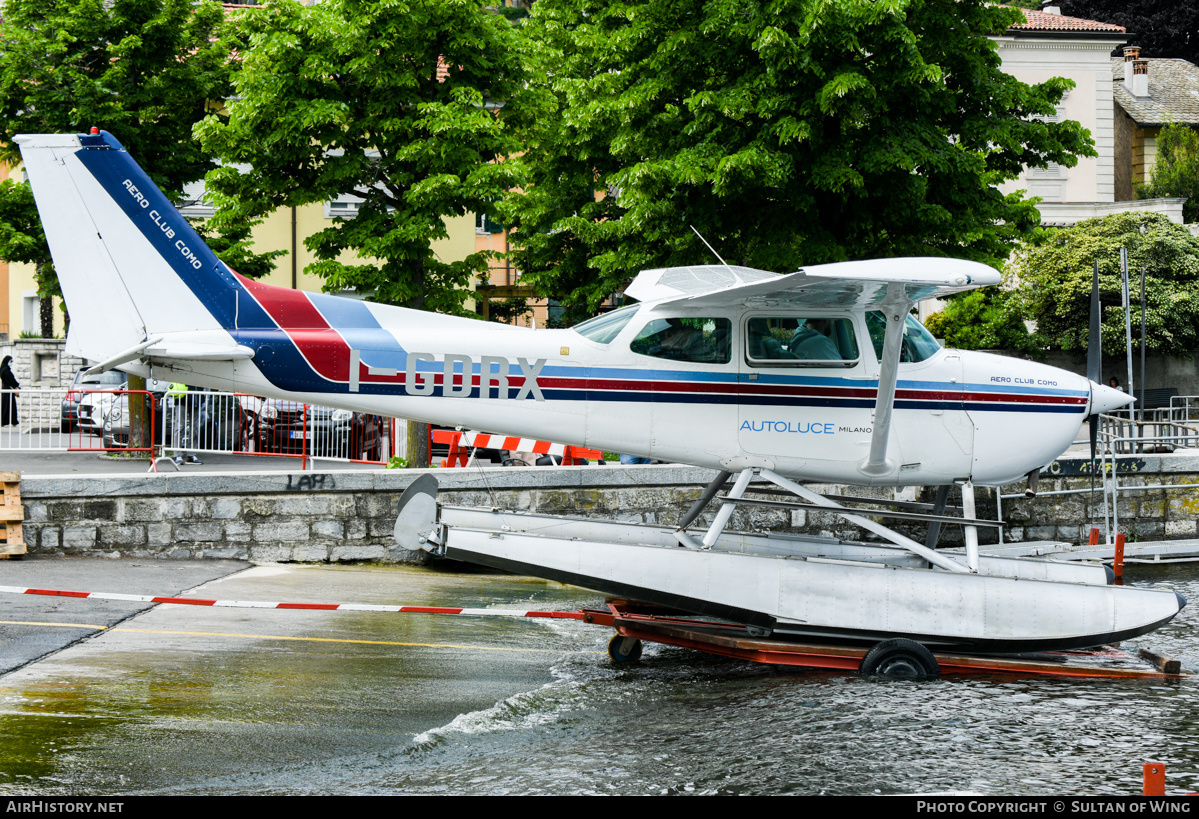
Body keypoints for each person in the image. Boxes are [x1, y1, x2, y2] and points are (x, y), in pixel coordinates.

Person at [167, 381, 202, 465]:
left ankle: (191, 455)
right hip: (182, 398)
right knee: (180, 427)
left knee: (194, 428)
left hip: (196, 398)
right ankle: (177, 455)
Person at [0, 355, 18, 426]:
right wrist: (16, 386)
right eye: (10, 361)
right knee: (10, 406)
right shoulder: (6, 370)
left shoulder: (3, 369)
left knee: (6, 406)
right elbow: (11, 380)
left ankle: (5, 421)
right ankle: (11, 421)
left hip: (6, 389)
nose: (11, 363)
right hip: (8, 389)